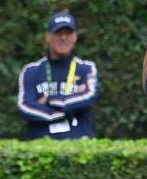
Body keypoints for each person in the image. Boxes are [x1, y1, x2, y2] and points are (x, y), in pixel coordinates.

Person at [17, 11, 99, 140]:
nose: (63, 38)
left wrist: (50, 101)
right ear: (47, 37)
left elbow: (89, 96)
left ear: (75, 37)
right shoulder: (31, 71)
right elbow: (25, 107)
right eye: (58, 33)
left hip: (79, 143)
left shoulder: (86, 68)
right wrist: (67, 109)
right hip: (40, 143)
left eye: (68, 33)